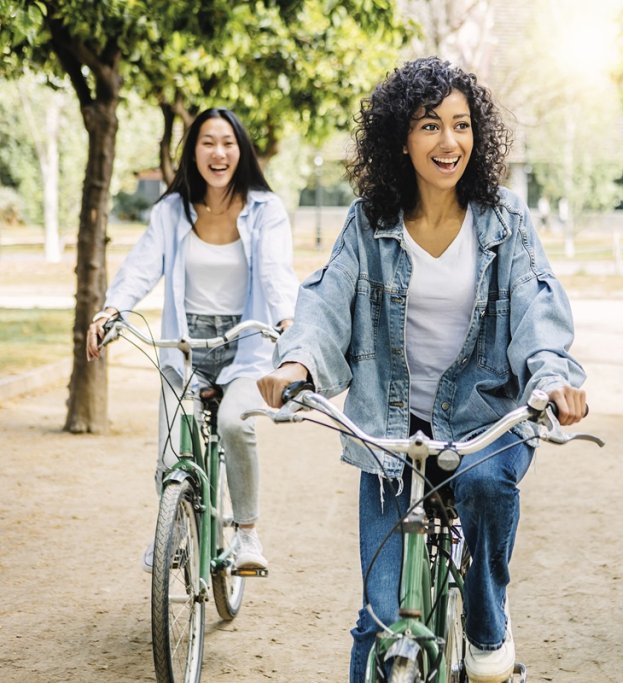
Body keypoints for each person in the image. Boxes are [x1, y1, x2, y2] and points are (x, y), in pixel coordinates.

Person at [257, 57, 587, 683]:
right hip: (391, 425)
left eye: (461, 126)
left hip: (486, 419)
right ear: (400, 139)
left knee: (488, 488)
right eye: (430, 125)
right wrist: (297, 360)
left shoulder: (505, 219)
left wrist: (551, 379)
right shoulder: (368, 220)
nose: (449, 142)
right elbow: (327, 298)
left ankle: (488, 621)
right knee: (380, 618)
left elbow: (536, 304)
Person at [87, 107, 300, 573]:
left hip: (246, 343)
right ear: (193, 151)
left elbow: (276, 272)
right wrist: (112, 309)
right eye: (207, 142)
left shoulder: (266, 210)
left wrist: (287, 322)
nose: (218, 152)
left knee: (233, 423)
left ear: (240, 151)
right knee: (171, 442)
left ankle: (246, 534)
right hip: (186, 346)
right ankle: (175, 530)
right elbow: (142, 265)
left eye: (227, 142)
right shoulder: (171, 211)